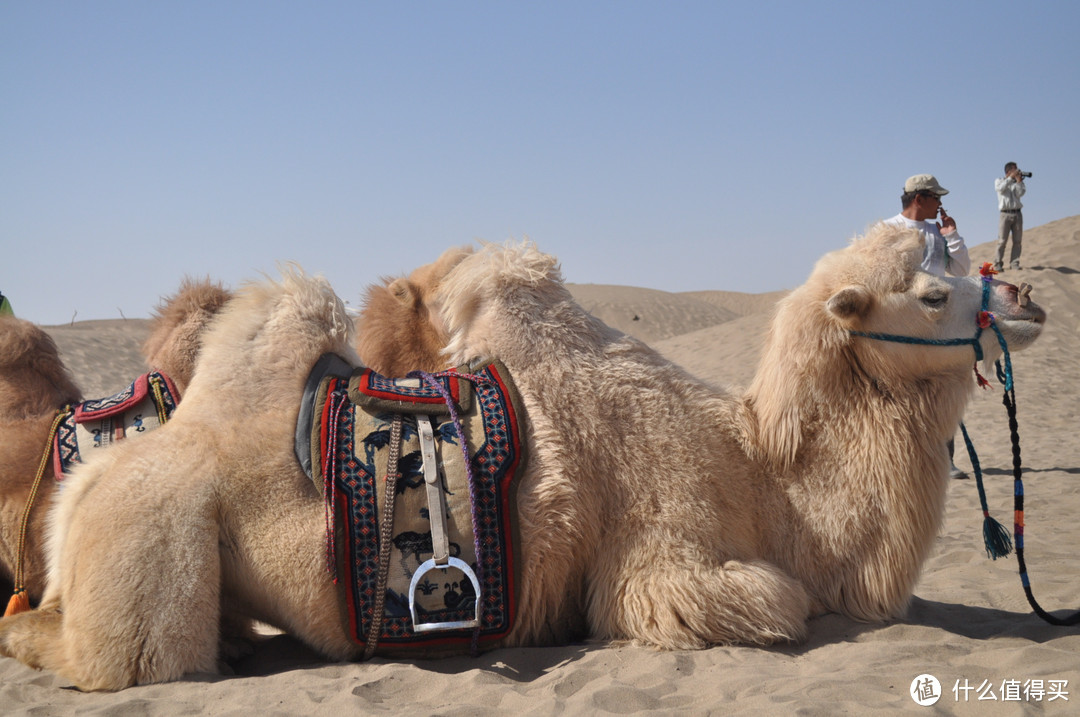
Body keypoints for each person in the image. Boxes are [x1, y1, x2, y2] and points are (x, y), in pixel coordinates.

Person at [884, 174, 971, 478]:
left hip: (938, 326)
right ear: (919, 199)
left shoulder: (938, 231)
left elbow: (960, 270)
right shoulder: (887, 230)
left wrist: (952, 235)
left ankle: (945, 462)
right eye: (936, 198)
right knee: (899, 397)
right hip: (901, 330)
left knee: (942, 392)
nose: (940, 204)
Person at [994, 162, 1026, 271]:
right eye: (1014, 170)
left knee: (1017, 241)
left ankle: (1014, 263)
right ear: (1008, 172)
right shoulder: (999, 180)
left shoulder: (1016, 183)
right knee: (1002, 240)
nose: (1017, 171)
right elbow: (1000, 189)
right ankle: (998, 263)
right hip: (1005, 214)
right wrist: (1009, 179)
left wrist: (1019, 181)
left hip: (1017, 213)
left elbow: (1021, 193)